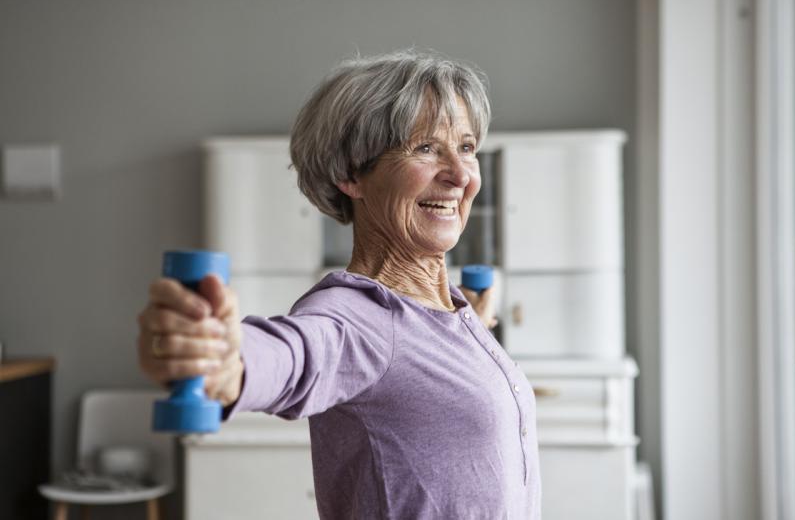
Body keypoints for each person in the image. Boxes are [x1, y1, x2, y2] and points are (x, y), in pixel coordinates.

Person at [137, 49, 541, 519]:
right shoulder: (356, 319)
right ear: (352, 173)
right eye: (426, 148)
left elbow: (419, 369)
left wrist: (474, 316)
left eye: (467, 147)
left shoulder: (437, 307)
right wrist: (224, 361)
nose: (460, 176)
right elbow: (295, 355)